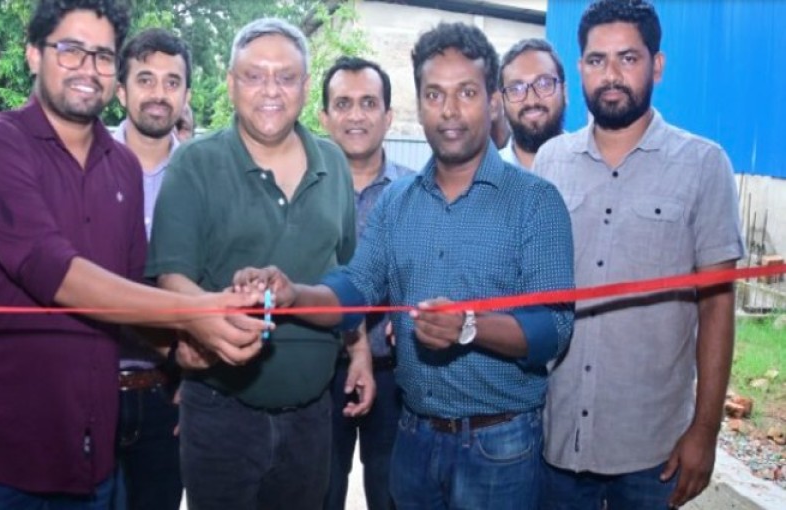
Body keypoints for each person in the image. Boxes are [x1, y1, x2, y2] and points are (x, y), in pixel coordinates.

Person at [234, 22, 575, 510]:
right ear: (419, 104)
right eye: (435, 94)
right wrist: (295, 294)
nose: (450, 111)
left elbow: (553, 328)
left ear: (494, 101)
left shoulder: (536, 201)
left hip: (500, 448)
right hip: (412, 440)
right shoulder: (396, 203)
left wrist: (469, 327)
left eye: (466, 93)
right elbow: (355, 288)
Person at [0, 1, 266, 506]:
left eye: (101, 55)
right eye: (70, 50)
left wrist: (186, 352)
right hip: (1, 456)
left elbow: (133, 295)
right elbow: (54, 272)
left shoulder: (123, 168)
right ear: (33, 54)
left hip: (95, 456)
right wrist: (199, 310)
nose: (87, 69)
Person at [145, 18, 368, 510]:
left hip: (312, 416)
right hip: (220, 414)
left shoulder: (334, 168)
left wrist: (360, 354)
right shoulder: (195, 164)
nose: (271, 90)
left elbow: (349, 276)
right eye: (254, 76)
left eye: (286, 77)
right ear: (230, 84)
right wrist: (213, 313)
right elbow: (171, 277)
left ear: (306, 88)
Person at [531, 1, 745, 508]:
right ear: (579, 67)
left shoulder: (703, 165)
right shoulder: (550, 162)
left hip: (654, 448)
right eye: (596, 60)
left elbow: (717, 307)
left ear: (657, 65)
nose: (611, 75)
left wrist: (706, 431)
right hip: (556, 438)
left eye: (628, 59)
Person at [318, 56, 415, 510]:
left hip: (397, 380)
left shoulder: (418, 193)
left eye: (368, 103)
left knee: (392, 498)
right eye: (343, 103)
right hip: (318, 378)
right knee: (317, 495)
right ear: (323, 117)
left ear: (388, 116)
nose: (356, 115)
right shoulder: (300, 194)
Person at [111, 27, 191, 510]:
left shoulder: (203, 176)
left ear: (185, 94)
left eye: (171, 81)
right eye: (145, 79)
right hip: (87, 389)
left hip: (170, 397)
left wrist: (200, 385)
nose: (158, 94)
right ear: (121, 90)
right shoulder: (84, 165)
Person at [498, 38, 567, 169]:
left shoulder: (593, 171)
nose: (531, 100)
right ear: (503, 102)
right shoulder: (482, 181)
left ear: (564, 92)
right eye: (516, 89)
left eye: (544, 84)